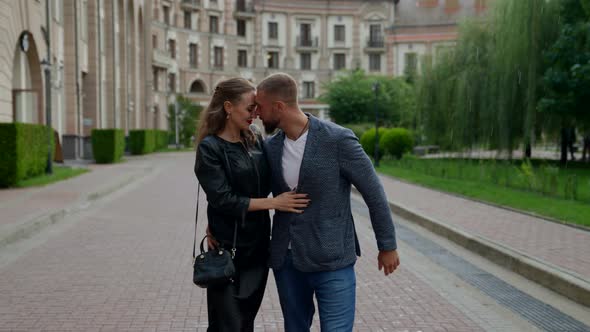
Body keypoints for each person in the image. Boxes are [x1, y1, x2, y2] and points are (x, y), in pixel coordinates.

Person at [254, 73, 400, 331]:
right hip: (287, 261)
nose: (257, 113)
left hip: (332, 260)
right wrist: (217, 225)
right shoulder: (270, 147)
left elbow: (373, 192)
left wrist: (387, 245)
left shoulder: (337, 139)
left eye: (261, 107)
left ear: (279, 106)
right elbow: (252, 194)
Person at [194, 78, 309, 332]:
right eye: (249, 108)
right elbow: (222, 198)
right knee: (227, 325)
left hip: (257, 248)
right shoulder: (210, 148)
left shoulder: (255, 140)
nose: (255, 114)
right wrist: (274, 203)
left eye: (257, 107)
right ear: (228, 107)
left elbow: (270, 180)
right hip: (227, 250)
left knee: (245, 322)